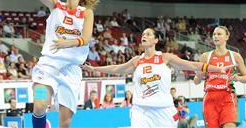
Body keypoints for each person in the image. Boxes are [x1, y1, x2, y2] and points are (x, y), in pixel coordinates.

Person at [23, 0, 99, 127]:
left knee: (65, 123)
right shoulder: (55, 5)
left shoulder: (86, 13)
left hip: (71, 71)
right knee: (39, 106)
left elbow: (86, 38)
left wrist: (68, 42)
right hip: (48, 66)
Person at [84, 28, 232, 128]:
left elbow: (192, 65)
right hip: (141, 110)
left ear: (156, 40)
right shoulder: (137, 61)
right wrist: (94, 68)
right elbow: (116, 69)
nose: (144, 36)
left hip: (163, 110)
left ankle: (184, 124)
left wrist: (217, 68)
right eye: (142, 35)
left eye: (148, 34)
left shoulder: (165, 58)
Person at [194, 26, 246, 128]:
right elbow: (196, 81)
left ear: (227, 37)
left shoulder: (235, 56)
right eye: (214, 34)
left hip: (228, 96)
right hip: (210, 98)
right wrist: (199, 75)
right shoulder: (205, 56)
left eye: (219, 34)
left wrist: (238, 78)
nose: (215, 36)